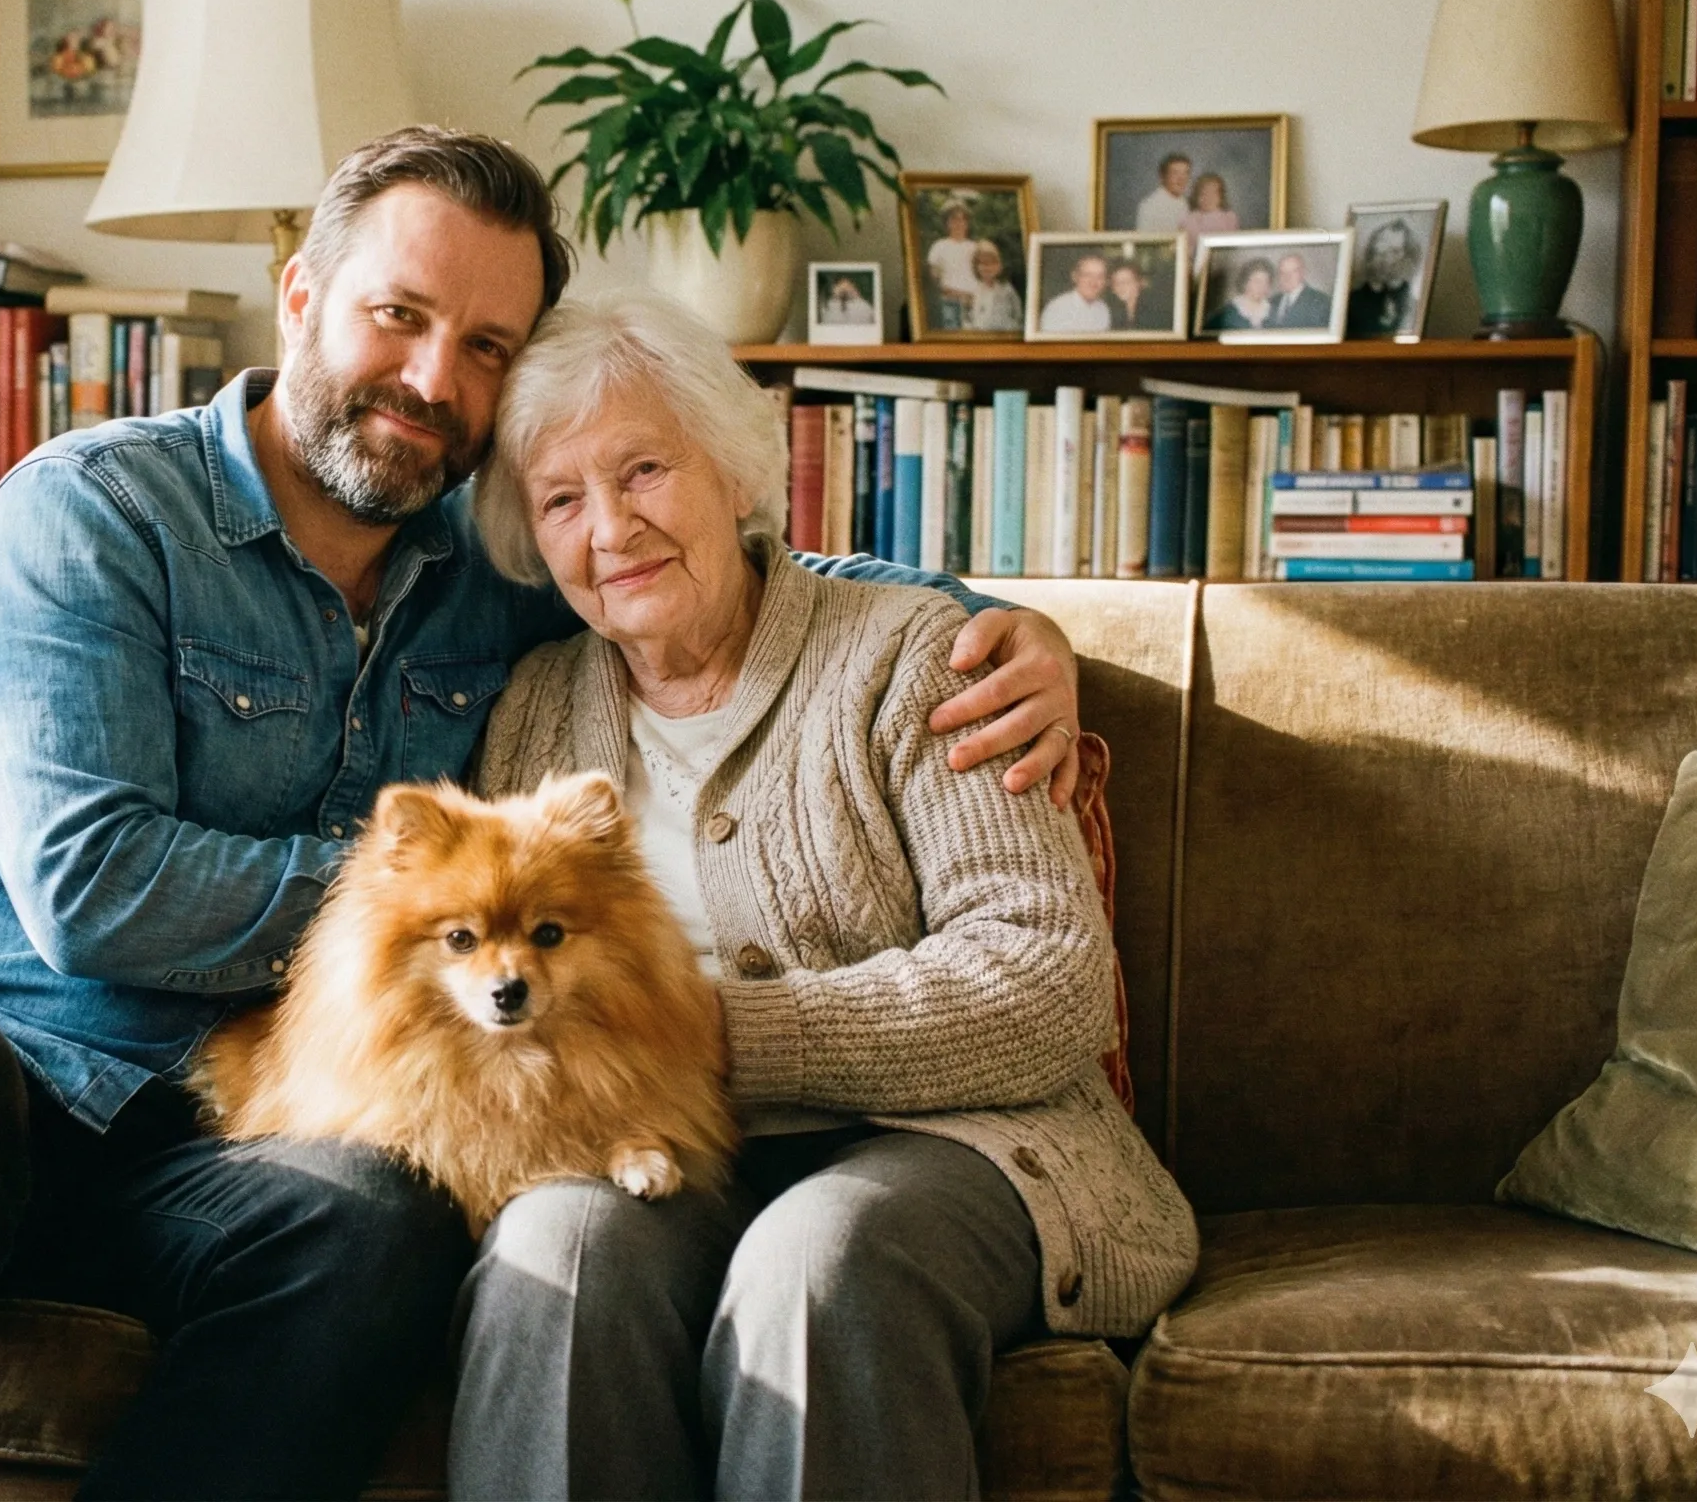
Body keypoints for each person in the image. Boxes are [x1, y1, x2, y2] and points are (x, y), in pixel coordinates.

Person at [0, 126, 1092, 1500]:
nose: (436, 379)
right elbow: (94, 889)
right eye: (402, 315)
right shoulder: (94, 513)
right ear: (302, 294)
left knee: (378, 1219)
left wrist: (1006, 625)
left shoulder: (489, 566)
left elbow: (696, 542)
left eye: (489, 348)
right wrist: (423, 905)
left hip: (210, 1137)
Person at [453, 290, 1199, 1500]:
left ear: (735, 470)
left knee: (819, 1259)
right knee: (557, 1249)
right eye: (559, 499)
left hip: (960, 1150)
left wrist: (709, 1031)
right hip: (653, 1150)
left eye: (643, 469)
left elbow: (1044, 978)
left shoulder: (917, 655)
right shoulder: (534, 708)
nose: (610, 529)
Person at [1350, 219, 1422, 338]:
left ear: (1407, 256)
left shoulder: (1414, 306)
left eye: (1394, 251)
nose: (1385, 258)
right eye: (1380, 249)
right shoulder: (1351, 303)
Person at [923, 203, 982, 326]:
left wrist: (975, 298)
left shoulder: (976, 247)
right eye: (954, 219)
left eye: (962, 219)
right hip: (950, 303)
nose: (959, 223)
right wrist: (957, 295)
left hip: (976, 303)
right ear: (947, 223)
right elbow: (934, 279)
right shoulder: (939, 246)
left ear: (967, 223)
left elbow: (983, 276)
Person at [1038, 252, 1116, 334]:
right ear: (1075, 277)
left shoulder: (1103, 309)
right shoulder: (1057, 309)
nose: (1094, 282)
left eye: (1100, 276)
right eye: (1087, 275)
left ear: (1106, 281)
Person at [1177, 172, 1239, 261]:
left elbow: (1232, 246)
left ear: (1221, 197)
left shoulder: (1229, 217)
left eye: (1213, 193)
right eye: (1203, 194)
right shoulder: (1187, 219)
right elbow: (1184, 249)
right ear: (1196, 196)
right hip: (1193, 263)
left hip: (1221, 261)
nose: (1208, 198)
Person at [964, 239, 1022, 331]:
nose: (987, 267)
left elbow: (1017, 313)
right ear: (976, 266)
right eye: (982, 263)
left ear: (999, 266)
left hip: (1004, 334)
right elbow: (969, 317)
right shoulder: (974, 291)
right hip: (981, 336)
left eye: (992, 263)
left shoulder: (1007, 289)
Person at [1271, 252, 1334, 329]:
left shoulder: (1320, 301)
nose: (1287, 277)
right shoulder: (1272, 301)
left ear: (1303, 273)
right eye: (1282, 272)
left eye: (1293, 271)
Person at [1213, 256, 1278, 331]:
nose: (1262, 287)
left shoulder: (1275, 312)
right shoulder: (1228, 312)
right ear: (1245, 282)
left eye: (1266, 282)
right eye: (1257, 281)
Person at [1133, 152, 1192, 232]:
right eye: (1175, 173)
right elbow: (1144, 242)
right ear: (1162, 177)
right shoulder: (1149, 206)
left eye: (1185, 173)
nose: (1182, 179)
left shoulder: (1185, 202)